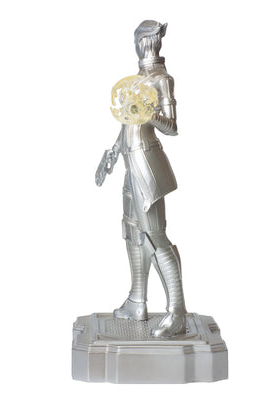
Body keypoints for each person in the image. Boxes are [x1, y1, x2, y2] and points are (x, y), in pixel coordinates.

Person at [97, 20, 187, 337]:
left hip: (148, 164)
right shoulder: (136, 80)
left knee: (155, 236)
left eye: (143, 40)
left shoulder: (162, 79)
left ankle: (177, 312)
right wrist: (112, 153)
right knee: (132, 231)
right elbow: (127, 122)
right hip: (129, 163)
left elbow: (172, 127)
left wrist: (151, 114)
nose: (142, 46)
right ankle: (137, 301)